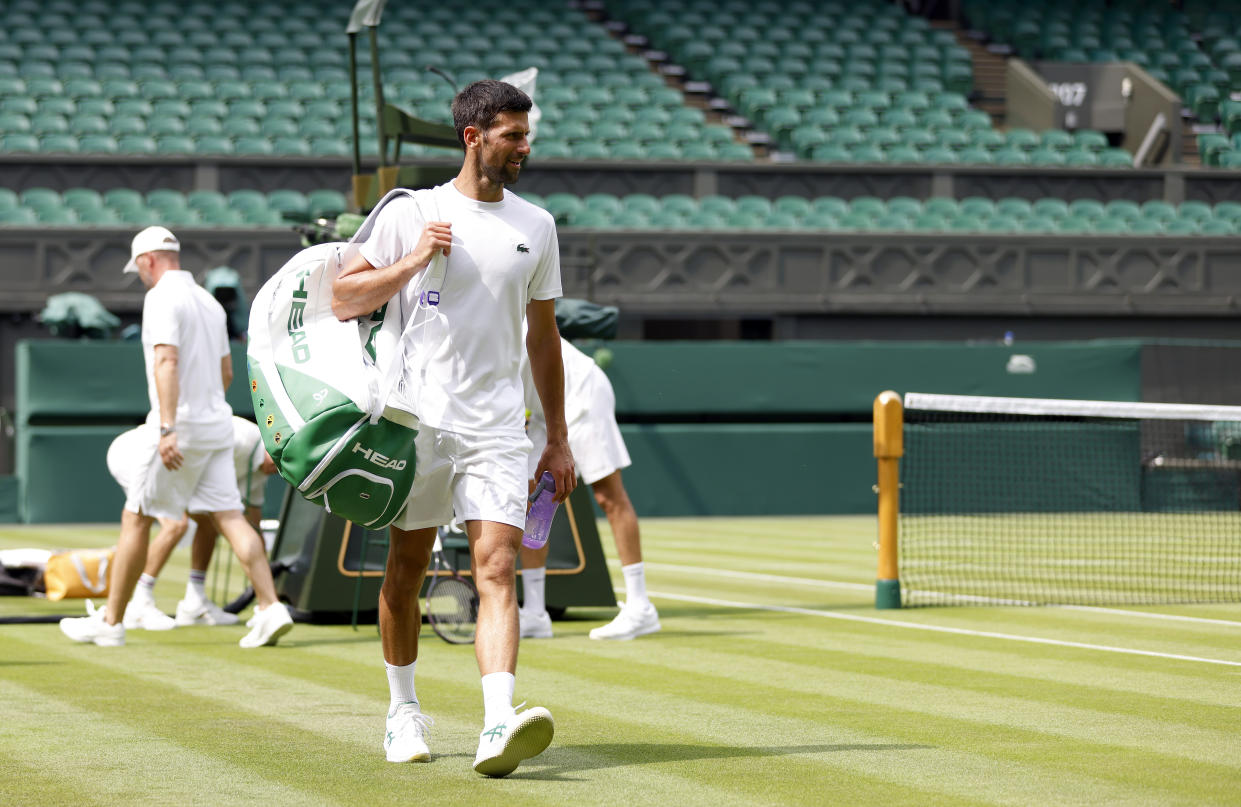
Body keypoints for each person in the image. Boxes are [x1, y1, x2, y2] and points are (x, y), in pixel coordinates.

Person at [330, 80, 574, 776]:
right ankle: (401, 710)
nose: (524, 147)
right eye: (511, 135)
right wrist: (412, 261)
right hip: (416, 423)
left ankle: (498, 721)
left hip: (498, 428)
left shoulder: (538, 226)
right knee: (404, 570)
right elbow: (344, 297)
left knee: (495, 566)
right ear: (473, 137)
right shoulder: (414, 211)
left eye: (526, 136)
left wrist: (556, 436)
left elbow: (543, 337)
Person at [59, 226, 294, 649]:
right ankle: (271, 605)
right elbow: (226, 373)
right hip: (217, 425)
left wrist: (168, 427)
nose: (142, 277)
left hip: (180, 428)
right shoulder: (209, 302)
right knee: (230, 516)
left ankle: (112, 623)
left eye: (140, 269)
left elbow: (166, 360)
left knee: (137, 517)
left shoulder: (160, 297)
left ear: (149, 261)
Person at [518, 337, 660, 641]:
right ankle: (533, 612)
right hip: (542, 410)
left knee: (608, 496)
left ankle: (640, 607)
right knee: (531, 503)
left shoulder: (501, 323)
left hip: (581, 395)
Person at [107, 415, 278, 631]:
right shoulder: (240, 437)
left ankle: (194, 602)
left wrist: (265, 581)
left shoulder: (261, 470)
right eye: (282, 461)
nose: (280, 469)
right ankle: (138, 602)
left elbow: (253, 524)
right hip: (134, 455)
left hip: (183, 467)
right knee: (177, 525)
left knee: (207, 522)